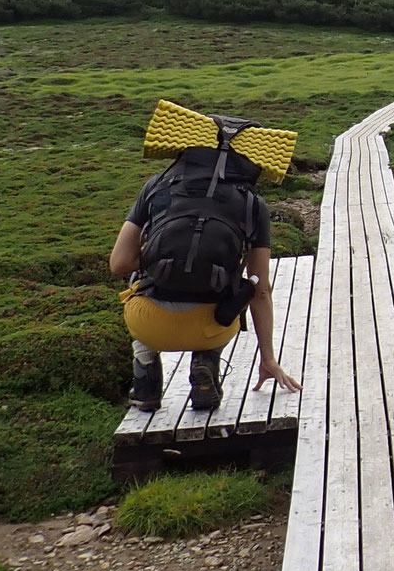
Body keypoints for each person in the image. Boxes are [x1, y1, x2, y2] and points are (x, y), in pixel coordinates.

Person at [110, 110, 303, 411]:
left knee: (135, 280)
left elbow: (119, 263)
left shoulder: (157, 187)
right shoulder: (254, 205)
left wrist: (156, 260)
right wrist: (268, 359)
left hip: (150, 324)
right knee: (236, 285)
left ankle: (146, 376)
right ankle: (206, 360)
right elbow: (260, 289)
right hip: (212, 325)